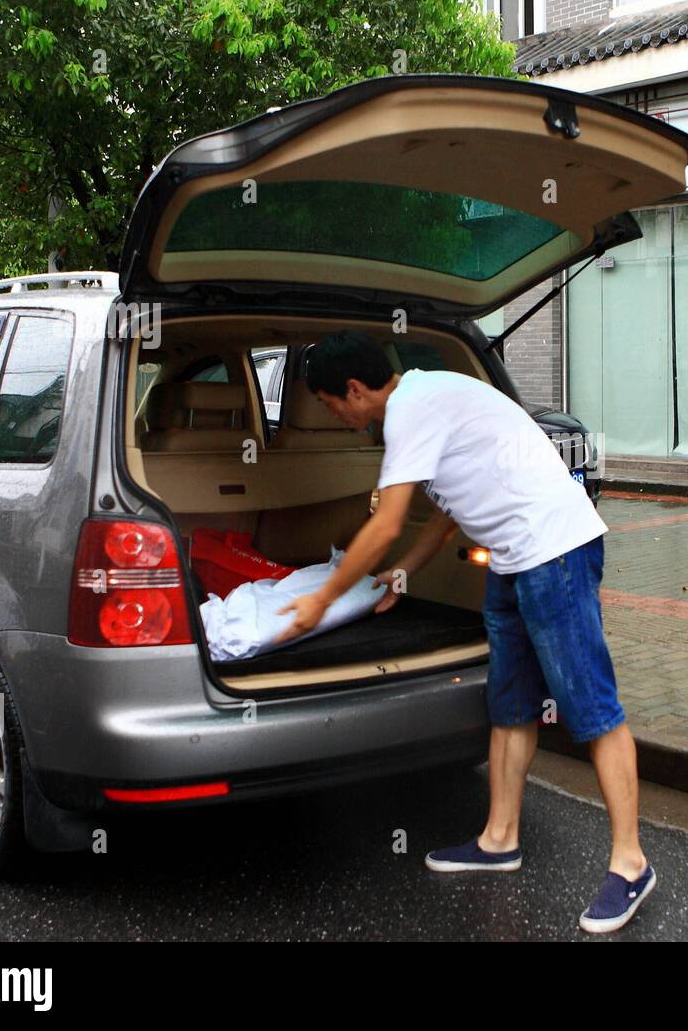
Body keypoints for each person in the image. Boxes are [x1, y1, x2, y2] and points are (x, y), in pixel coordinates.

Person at [274, 331, 655, 933]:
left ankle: (631, 864)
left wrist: (320, 601)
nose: (333, 416)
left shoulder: (411, 411)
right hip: (510, 559)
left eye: (329, 403)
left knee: (592, 709)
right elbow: (451, 506)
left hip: (554, 551)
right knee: (510, 705)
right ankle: (499, 838)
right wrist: (406, 572)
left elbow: (389, 521)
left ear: (353, 390)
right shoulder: (428, 398)